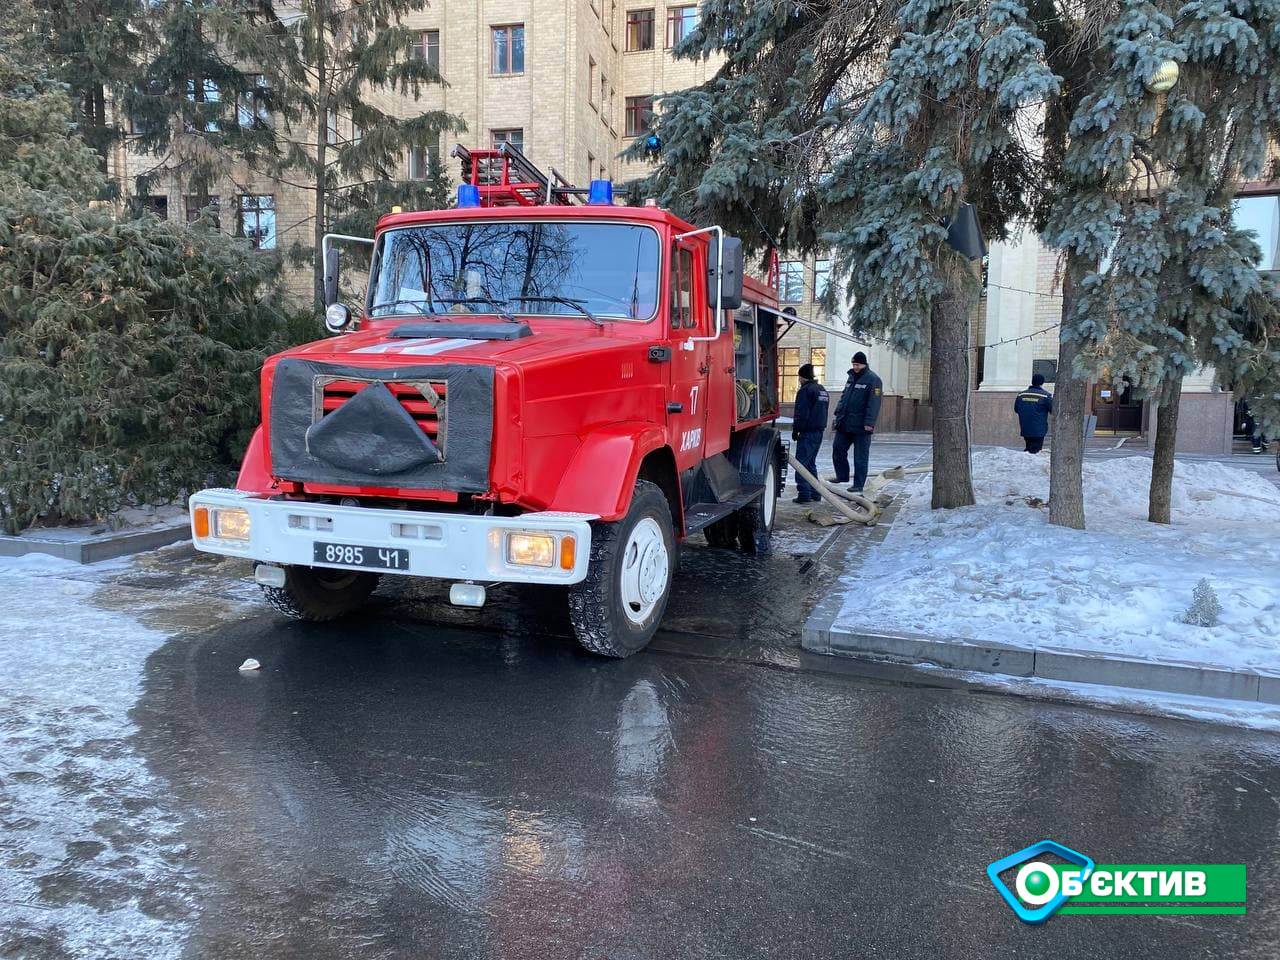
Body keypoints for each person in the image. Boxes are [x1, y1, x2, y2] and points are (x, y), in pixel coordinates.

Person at [832, 351, 883, 494]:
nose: (855, 367)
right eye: (854, 364)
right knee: (838, 449)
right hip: (845, 423)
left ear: (864, 364)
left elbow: (874, 403)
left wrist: (869, 423)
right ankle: (842, 476)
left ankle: (858, 484)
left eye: (858, 364)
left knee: (860, 456)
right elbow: (844, 397)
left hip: (862, 426)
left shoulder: (873, 380)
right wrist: (837, 413)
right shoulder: (851, 378)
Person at [791, 363, 829, 503]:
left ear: (802, 377)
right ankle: (815, 493)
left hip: (807, 433)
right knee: (811, 463)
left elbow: (801, 413)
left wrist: (796, 430)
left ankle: (804, 494)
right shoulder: (822, 390)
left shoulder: (805, 391)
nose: (799, 379)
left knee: (801, 464)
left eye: (799, 377)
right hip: (819, 432)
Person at [1014, 373, 1054, 453]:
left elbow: (1016, 409)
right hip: (1039, 430)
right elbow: (1053, 410)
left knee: (1028, 448)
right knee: (1036, 451)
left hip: (1025, 428)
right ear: (1042, 383)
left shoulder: (1021, 395)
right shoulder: (1045, 396)